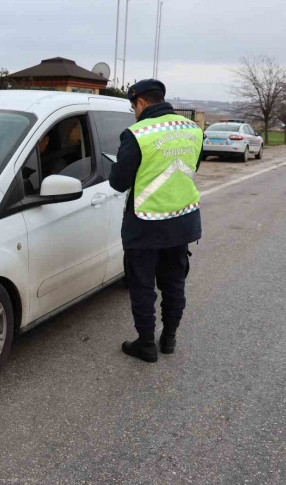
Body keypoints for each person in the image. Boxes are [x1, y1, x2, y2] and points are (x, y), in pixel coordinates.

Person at [109, 79, 204, 363]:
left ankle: (146, 345)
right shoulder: (193, 129)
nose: (133, 112)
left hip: (145, 223)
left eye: (132, 106)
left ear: (140, 102)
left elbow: (118, 182)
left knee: (142, 286)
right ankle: (169, 339)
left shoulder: (138, 134)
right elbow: (192, 167)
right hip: (182, 219)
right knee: (174, 283)